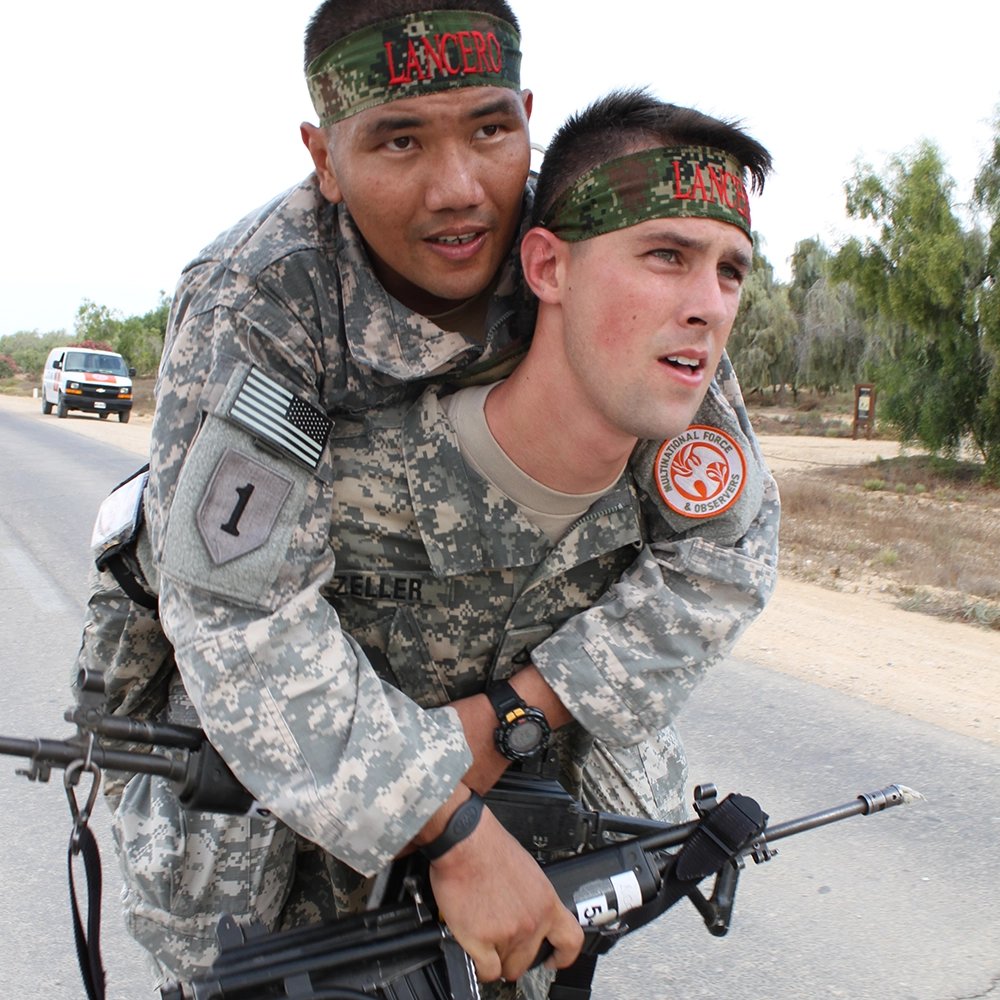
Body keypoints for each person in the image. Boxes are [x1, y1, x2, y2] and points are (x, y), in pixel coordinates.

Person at [98, 1, 777, 995]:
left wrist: (514, 718)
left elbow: (724, 545)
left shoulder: (599, 242)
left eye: (491, 130)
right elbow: (239, 614)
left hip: (492, 677)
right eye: (400, 140)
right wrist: (449, 824)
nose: (459, 191)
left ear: (528, 121)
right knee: (237, 942)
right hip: (288, 682)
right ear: (325, 158)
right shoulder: (264, 296)